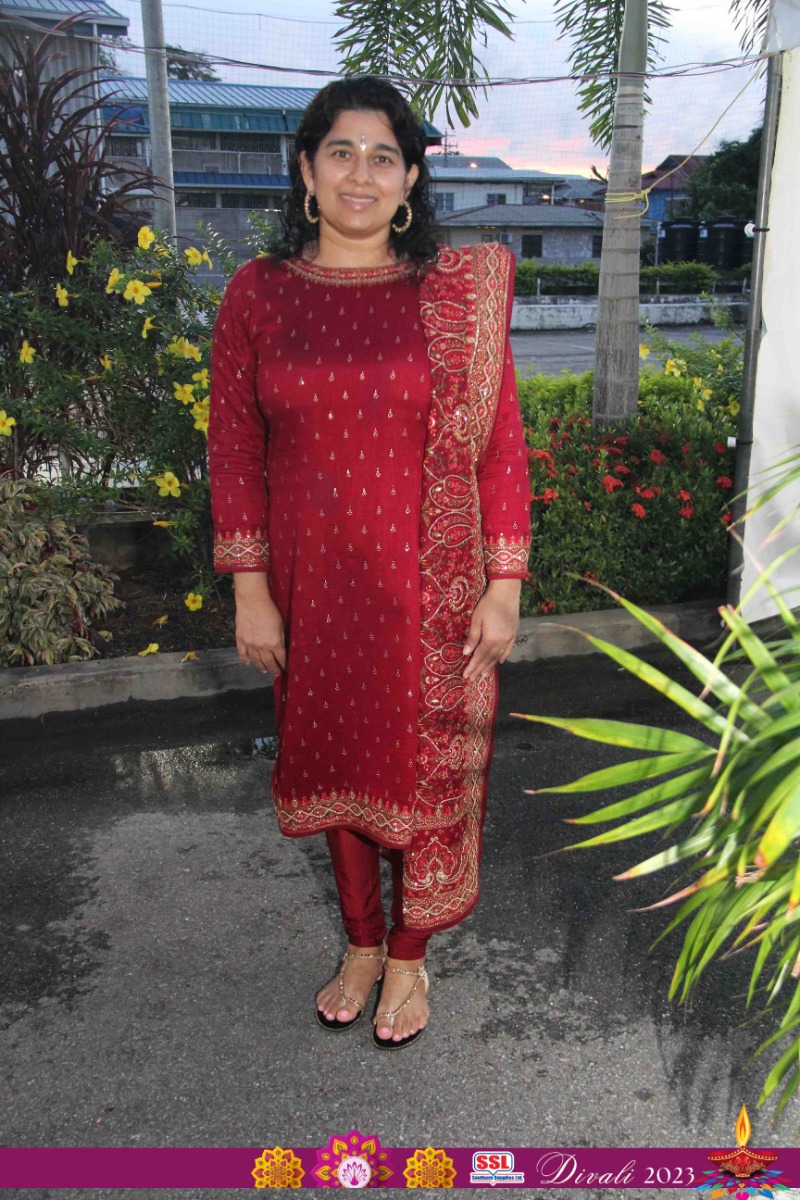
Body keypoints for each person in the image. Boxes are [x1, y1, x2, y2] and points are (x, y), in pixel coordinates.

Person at [208, 76, 531, 1051]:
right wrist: (251, 591)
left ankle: (407, 953)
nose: (361, 173)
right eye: (340, 152)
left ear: (411, 179)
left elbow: (500, 446)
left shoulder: (453, 297)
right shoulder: (258, 293)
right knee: (337, 761)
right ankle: (358, 942)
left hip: (426, 587)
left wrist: (503, 584)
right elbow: (234, 449)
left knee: (420, 770)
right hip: (311, 588)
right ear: (306, 171)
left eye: (383, 156)